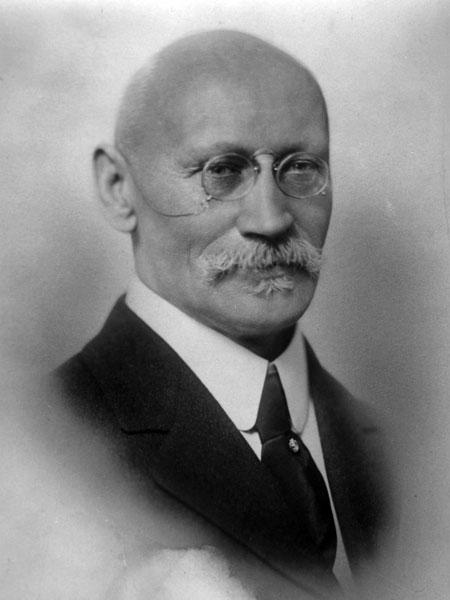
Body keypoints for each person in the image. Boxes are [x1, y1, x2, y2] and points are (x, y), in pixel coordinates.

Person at [52, 30, 394, 599]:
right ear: (117, 188)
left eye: (300, 168)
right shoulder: (45, 451)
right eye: (223, 171)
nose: (271, 219)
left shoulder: (402, 454)